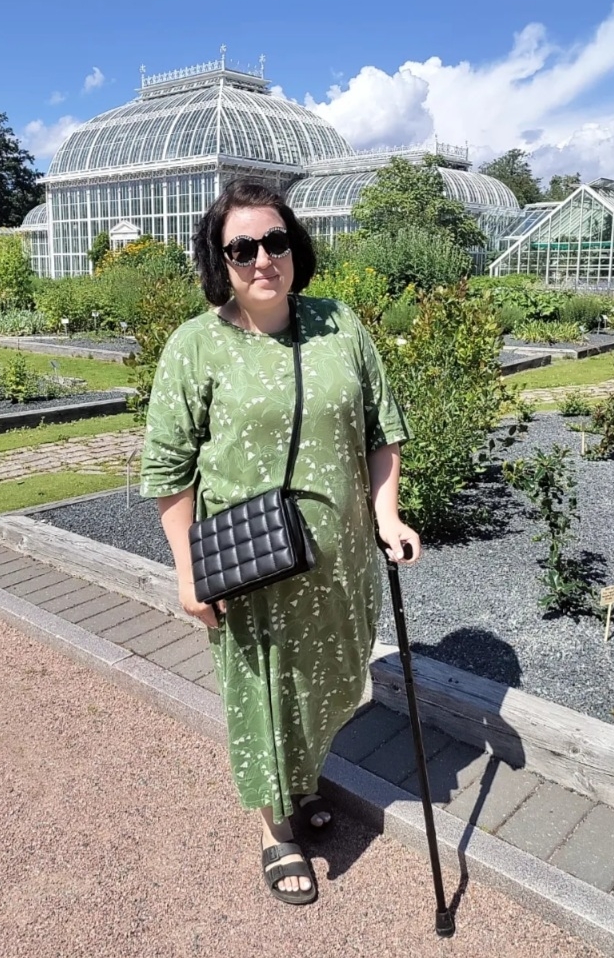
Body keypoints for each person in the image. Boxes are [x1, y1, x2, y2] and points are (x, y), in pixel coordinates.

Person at [140, 179, 421, 905]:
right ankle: (276, 830)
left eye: (275, 241)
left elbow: (382, 430)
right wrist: (188, 572)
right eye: (243, 248)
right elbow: (168, 471)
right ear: (220, 260)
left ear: (295, 246)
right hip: (251, 566)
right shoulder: (195, 345)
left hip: (340, 562)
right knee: (264, 692)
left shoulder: (339, 325)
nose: (263, 258)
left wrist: (387, 515)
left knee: (329, 686)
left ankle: (297, 782)